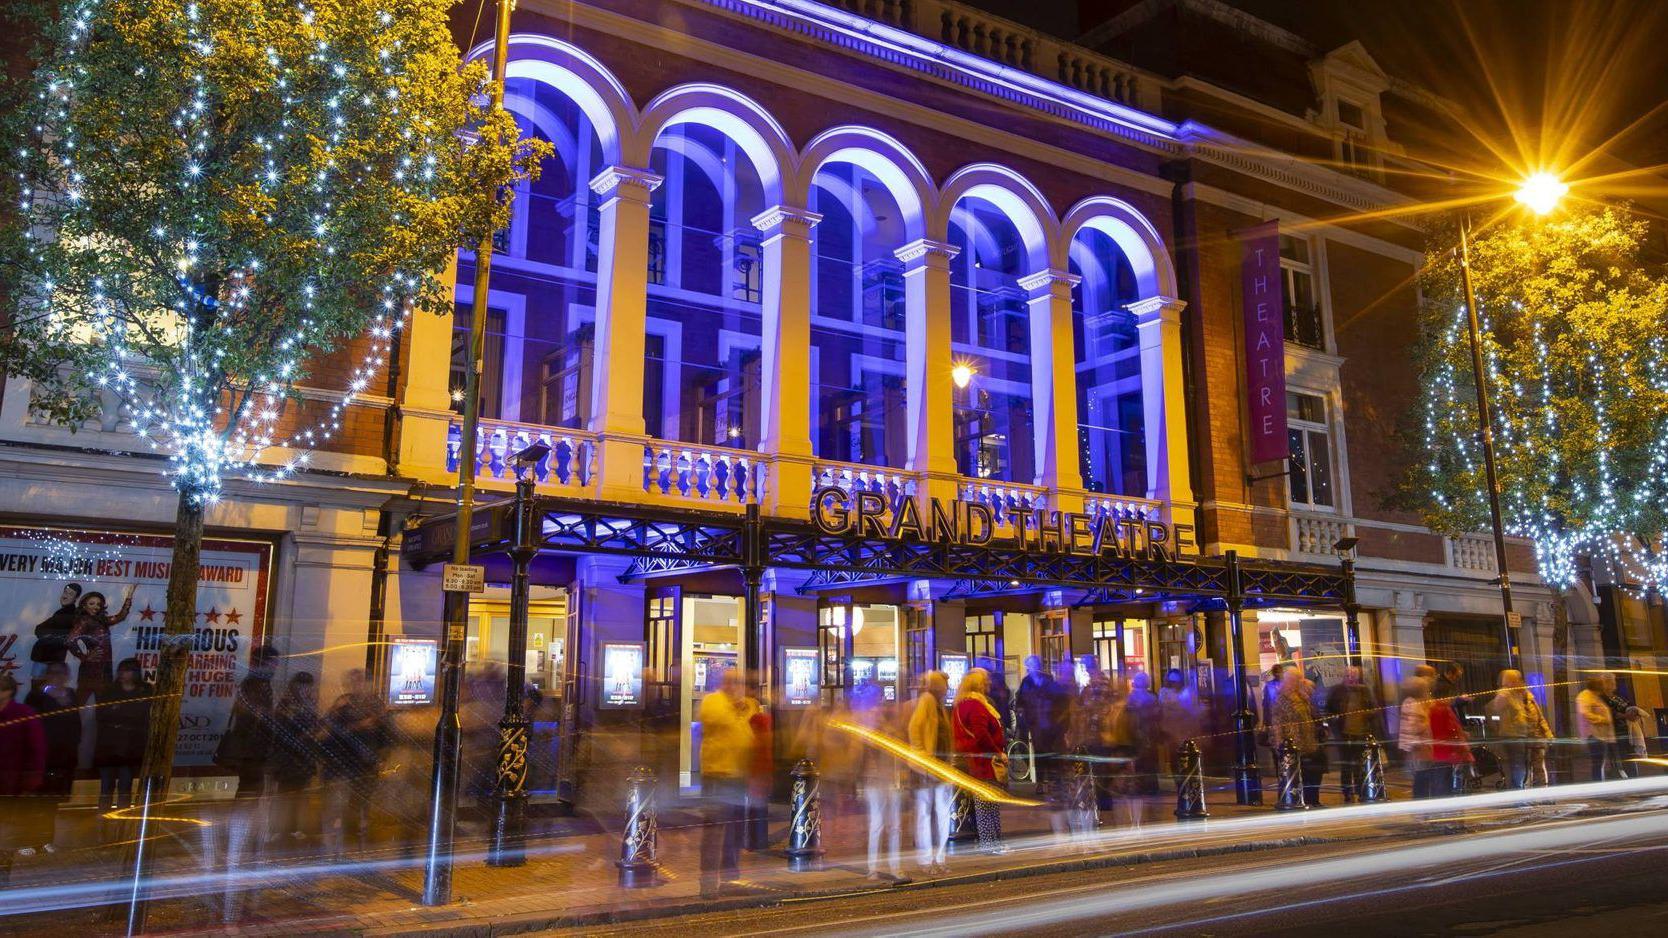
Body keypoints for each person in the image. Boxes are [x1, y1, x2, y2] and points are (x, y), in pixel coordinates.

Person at [319, 669, 389, 858]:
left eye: (360, 682)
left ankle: (355, 843)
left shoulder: (375, 704)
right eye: (352, 682)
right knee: (341, 803)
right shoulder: (344, 703)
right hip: (344, 762)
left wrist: (381, 758)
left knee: (360, 803)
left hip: (365, 762)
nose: (356, 686)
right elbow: (330, 729)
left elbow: (386, 733)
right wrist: (357, 726)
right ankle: (341, 845)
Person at [697, 667, 753, 897]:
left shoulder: (746, 706)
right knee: (714, 830)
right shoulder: (712, 702)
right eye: (729, 681)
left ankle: (731, 878)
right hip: (716, 776)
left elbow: (750, 736)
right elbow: (718, 721)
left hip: (739, 776)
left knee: (735, 829)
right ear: (721, 683)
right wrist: (738, 708)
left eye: (737, 682)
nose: (733, 686)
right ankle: (708, 882)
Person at [22, 662, 79, 854]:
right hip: (39, 757)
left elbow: (76, 725)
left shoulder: (71, 695)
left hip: (62, 758)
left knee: (51, 802)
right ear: (47, 675)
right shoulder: (36, 696)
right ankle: (28, 840)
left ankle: (46, 839)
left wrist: (72, 752)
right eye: (54, 673)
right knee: (33, 802)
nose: (58, 677)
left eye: (62, 673)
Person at [853, 683, 906, 883]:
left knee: (894, 825)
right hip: (875, 778)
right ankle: (875, 867)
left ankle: (892, 866)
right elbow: (867, 745)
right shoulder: (868, 718)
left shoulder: (887, 718)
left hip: (889, 777)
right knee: (878, 823)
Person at [951, 667, 1006, 853]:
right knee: (986, 805)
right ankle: (990, 844)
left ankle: (993, 843)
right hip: (983, 761)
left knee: (987, 802)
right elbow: (981, 733)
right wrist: (998, 751)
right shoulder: (975, 705)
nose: (989, 684)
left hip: (977, 760)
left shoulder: (963, 704)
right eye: (986, 681)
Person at [94, 658, 151, 831]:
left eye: (126, 671)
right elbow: (101, 715)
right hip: (109, 746)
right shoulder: (110, 691)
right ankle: (102, 827)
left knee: (125, 787)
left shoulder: (145, 690)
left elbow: (143, 716)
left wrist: (120, 714)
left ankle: (121, 827)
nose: (122, 674)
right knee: (106, 788)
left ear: (135, 673)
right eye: (121, 670)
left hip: (131, 746)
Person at [0, 674, 46, 880]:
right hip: (10, 780)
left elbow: (36, 748)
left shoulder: (23, 713)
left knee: (5, 831)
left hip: (11, 783)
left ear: (8, 691)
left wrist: (31, 779)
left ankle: (3, 873)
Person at [907, 670, 954, 874]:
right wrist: (923, 760)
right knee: (928, 813)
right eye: (944, 684)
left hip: (939, 767)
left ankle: (938, 858)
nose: (947, 688)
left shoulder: (939, 704)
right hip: (929, 768)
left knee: (938, 813)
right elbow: (915, 729)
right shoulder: (927, 700)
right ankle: (928, 859)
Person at [269, 671, 321, 841]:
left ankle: (288, 828)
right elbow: (287, 729)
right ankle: (282, 828)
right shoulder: (292, 705)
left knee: (295, 794)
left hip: (297, 757)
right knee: (288, 794)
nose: (307, 690)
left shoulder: (295, 704)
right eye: (305, 686)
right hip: (291, 756)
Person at [66, 585, 136, 703]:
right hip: (89, 672)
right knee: (78, 704)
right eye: (92, 603)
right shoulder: (84, 621)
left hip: (104, 672)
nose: (96, 607)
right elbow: (70, 640)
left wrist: (129, 597)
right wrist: (85, 656)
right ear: (84, 605)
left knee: (102, 708)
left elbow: (120, 616)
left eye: (99, 604)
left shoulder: (101, 621)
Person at [1485, 669, 1551, 789]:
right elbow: (1492, 710)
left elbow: (1538, 716)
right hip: (1514, 736)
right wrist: (1497, 729)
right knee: (1519, 767)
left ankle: (1530, 792)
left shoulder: (1524, 696)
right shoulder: (1505, 694)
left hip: (1527, 736)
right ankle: (1518, 793)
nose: (1521, 683)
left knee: (1527, 767)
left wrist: (1547, 734)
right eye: (1517, 680)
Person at [1325, 666, 1382, 802]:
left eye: (1353, 676)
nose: (1351, 679)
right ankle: (1347, 792)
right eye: (1348, 676)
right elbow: (1328, 710)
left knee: (1359, 764)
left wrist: (1365, 715)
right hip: (1343, 733)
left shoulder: (1364, 691)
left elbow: (1374, 709)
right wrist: (1334, 720)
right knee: (1346, 766)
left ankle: (1359, 789)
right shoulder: (1337, 691)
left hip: (1360, 733)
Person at [1271, 667, 1326, 805]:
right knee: (1293, 775)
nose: (1299, 682)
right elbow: (1277, 724)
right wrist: (1280, 745)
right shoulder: (1281, 699)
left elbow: (1311, 715)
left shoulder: (1302, 695)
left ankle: (1312, 800)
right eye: (1296, 679)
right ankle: (1292, 800)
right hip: (1292, 743)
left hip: (1308, 742)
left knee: (1312, 774)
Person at [28, 583, 82, 690]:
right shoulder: (63, 613)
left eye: (70, 594)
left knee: (39, 689)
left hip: (49, 658)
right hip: (48, 658)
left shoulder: (67, 614)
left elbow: (40, 630)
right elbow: (39, 630)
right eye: (65, 592)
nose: (65, 595)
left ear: (76, 598)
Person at [1427, 683, 1474, 795]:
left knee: (1439, 783)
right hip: (1446, 752)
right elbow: (1451, 729)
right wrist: (1462, 737)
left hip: (1436, 752)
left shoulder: (1431, 708)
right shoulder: (1443, 709)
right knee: (1444, 784)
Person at [1601, 672, 1648, 778]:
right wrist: (1626, 715)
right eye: (1611, 681)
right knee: (1619, 760)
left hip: (1627, 734)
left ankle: (1632, 779)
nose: (1614, 683)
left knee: (1629, 758)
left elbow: (1630, 705)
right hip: (1614, 734)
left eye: (1613, 681)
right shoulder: (1602, 698)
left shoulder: (1617, 697)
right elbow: (1610, 714)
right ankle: (1622, 781)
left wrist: (1635, 712)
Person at [1576, 675, 1616, 781]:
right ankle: (1598, 784)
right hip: (1593, 735)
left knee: (1600, 762)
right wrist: (1602, 719)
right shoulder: (1585, 696)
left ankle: (1600, 783)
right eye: (1601, 684)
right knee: (1598, 762)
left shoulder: (1595, 696)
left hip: (1601, 735)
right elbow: (1584, 713)